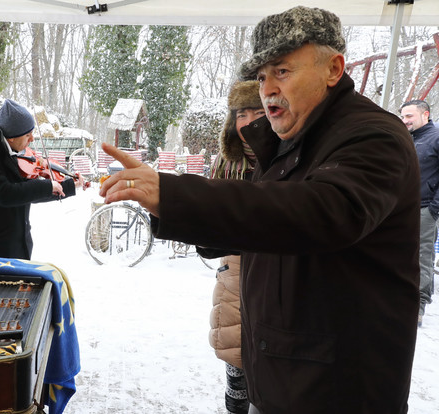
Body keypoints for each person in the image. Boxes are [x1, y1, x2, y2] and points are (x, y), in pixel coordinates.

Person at [99, 6, 419, 413]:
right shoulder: (288, 140)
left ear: (333, 69)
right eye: (262, 76)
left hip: (337, 388)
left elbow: (319, 213)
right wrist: (192, 222)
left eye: (282, 71)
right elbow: (266, 223)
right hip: (280, 375)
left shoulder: (374, 136)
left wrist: (177, 196)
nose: (267, 89)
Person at [204, 80, 264, 414]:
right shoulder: (226, 162)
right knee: (233, 344)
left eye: (258, 111)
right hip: (235, 268)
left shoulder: (289, 159)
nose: (250, 121)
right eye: (242, 113)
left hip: (277, 269)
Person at [0, 99, 85, 260]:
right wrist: (47, 186)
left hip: (18, 245)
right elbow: (6, 194)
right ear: (12, 137)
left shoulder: (12, 150)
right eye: (28, 135)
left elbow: (26, 191)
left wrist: (68, 186)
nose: (32, 139)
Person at [400, 99, 439, 327]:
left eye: (409, 117)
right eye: (403, 117)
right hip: (402, 208)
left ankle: (417, 306)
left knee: (422, 258)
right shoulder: (407, 139)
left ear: (425, 115)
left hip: (425, 208)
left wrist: (434, 209)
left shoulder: (435, 138)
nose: (405, 121)